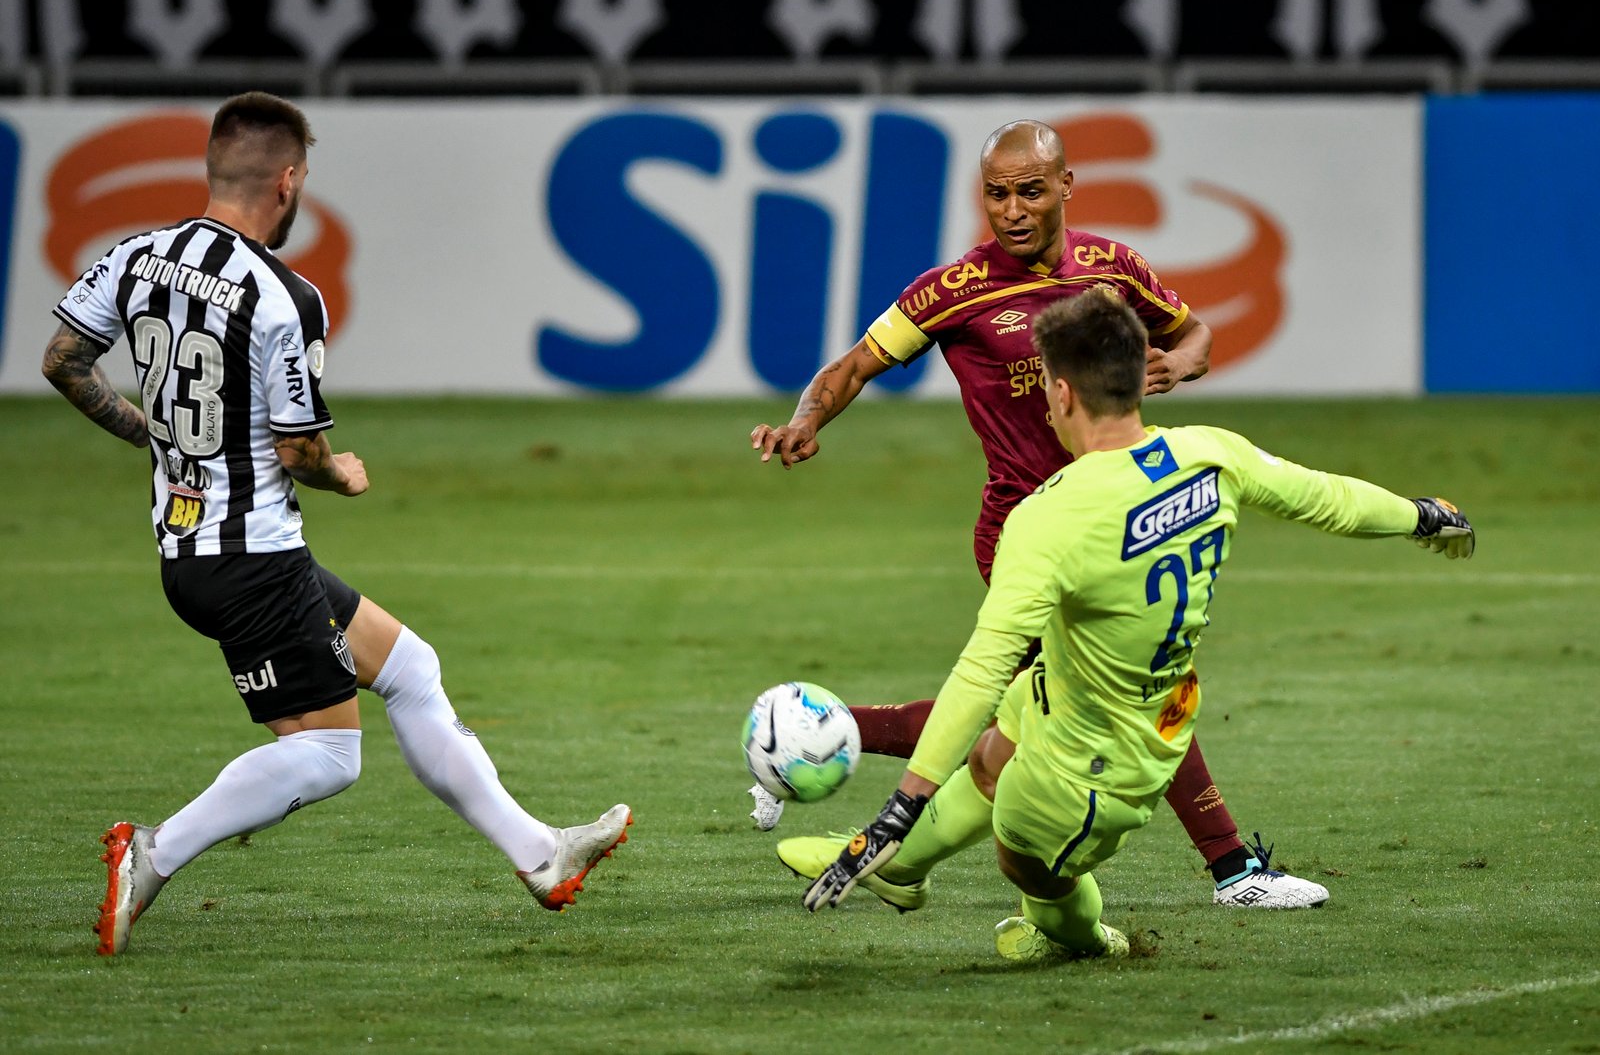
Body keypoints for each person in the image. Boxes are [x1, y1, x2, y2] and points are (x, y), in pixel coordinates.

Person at [42, 92, 631, 956]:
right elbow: (298, 450)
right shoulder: (285, 296)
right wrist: (341, 473)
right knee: (328, 755)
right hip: (253, 557)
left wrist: (150, 433)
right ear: (287, 181)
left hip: (194, 547)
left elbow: (62, 359)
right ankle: (152, 853)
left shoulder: (134, 257)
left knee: (410, 667)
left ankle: (539, 852)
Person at [801, 288, 1475, 961]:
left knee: (1028, 860)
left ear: (1060, 395)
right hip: (1123, 706)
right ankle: (902, 871)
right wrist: (1420, 513)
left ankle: (1085, 937)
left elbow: (979, 667)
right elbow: (1328, 498)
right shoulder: (1211, 453)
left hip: (1094, 766)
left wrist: (900, 807)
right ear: (1139, 371)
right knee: (992, 750)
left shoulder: (1047, 516)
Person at [750, 118, 1315, 909]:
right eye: (994, 194)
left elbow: (1195, 333)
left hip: (1118, 518)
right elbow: (851, 367)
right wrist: (807, 417)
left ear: (1066, 188)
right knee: (1134, 689)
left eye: (1029, 191)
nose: (1010, 210)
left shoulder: (1113, 267)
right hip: (1028, 530)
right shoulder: (951, 290)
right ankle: (1233, 872)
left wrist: (1179, 362)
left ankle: (832, 746)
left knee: (1027, 715)